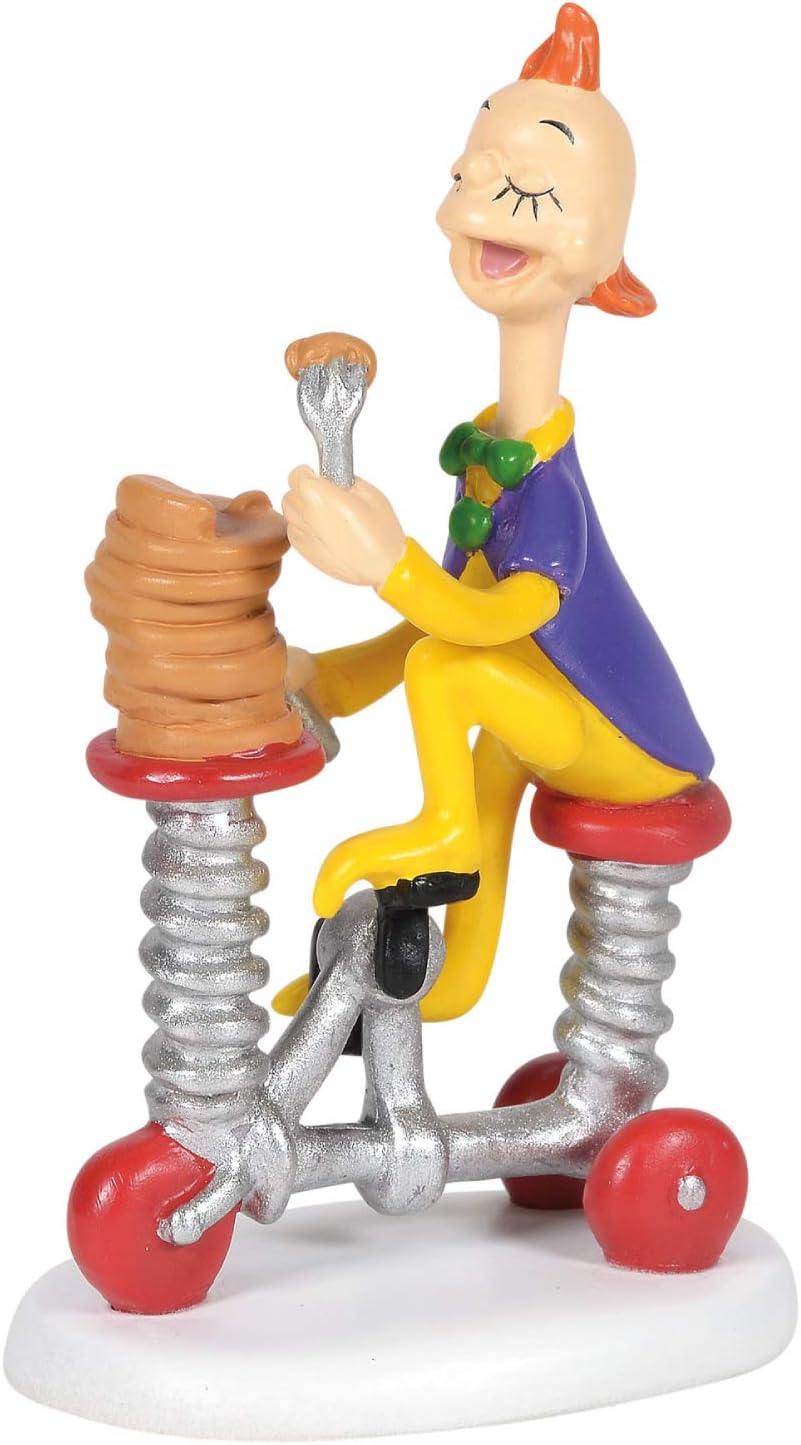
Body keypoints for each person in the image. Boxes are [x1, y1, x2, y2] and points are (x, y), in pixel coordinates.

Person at [277, 3, 712, 1022]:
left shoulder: (545, 484)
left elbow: (485, 622)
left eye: (527, 189)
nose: (474, 195)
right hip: (546, 716)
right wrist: (327, 679)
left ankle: (440, 832)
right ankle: (436, 986)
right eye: (472, 173)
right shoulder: (488, 452)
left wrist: (386, 563)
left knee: (451, 671)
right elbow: (442, 613)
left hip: (628, 744)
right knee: (456, 683)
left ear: (601, 261)